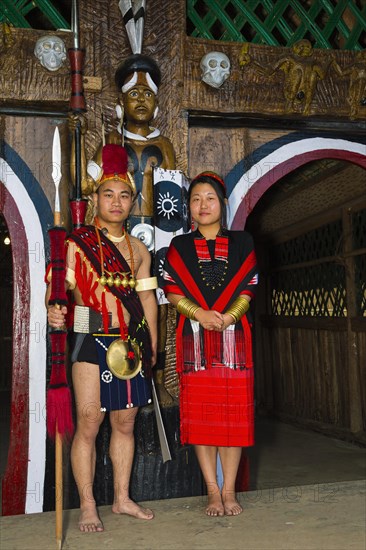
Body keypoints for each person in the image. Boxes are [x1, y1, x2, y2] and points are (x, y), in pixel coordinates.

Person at [46, 143, 158, 532]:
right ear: (95, 199)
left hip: (129, 343)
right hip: (88, 336)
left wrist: (153, 343)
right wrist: (56, 309)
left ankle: (122, 499)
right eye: (108, 194)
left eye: (124, 195)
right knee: (90, 419)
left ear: (132, 201)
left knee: (126, 421)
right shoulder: (77, 244)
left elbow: (146, 299)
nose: (116, 201)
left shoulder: (139, 249)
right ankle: (88, 504)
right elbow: (60, 289)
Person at [162, 172, 258, 517]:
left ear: (223, 204)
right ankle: (213, 492)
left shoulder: (243, 241)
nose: (203, 205)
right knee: (203, 419)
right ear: (188, 206)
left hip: (235, 343)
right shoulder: (180, 246)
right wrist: (199, 314)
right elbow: (171, 289)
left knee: (233, 420)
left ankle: (230, 491)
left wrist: (230, 317)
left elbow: (250, 284)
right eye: (196, 199)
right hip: (195, 343)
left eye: (210, 198)